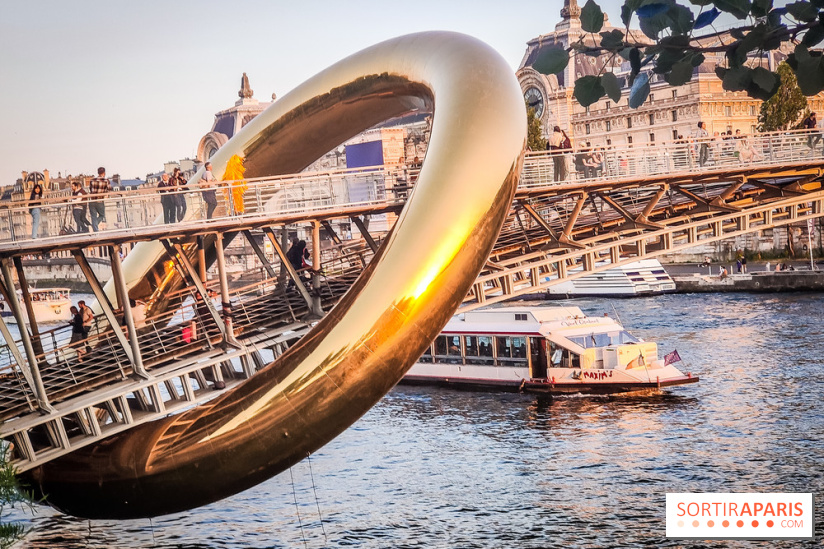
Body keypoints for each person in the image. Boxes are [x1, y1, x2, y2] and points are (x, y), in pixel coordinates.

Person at [88, 166, 110, 232]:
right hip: (100, 200)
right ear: (104, 173)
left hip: (92, 200)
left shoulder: (92, 180)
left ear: (98, 172)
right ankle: (93, 226)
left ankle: (95, 230)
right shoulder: (106, 181)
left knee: (93, 216)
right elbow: (108, 190)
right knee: (102, 215)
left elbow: (90, 189)